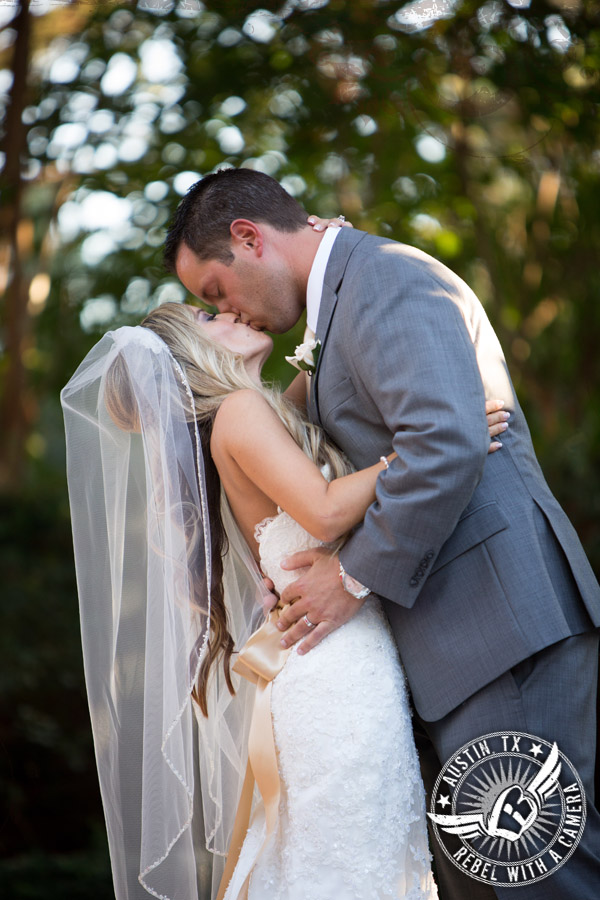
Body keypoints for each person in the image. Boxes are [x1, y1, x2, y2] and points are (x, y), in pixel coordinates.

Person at [163, 167, 600, 900]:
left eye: (216, 291)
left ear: (248, 239)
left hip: (499, 630)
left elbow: (446, 442)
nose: (229, 312)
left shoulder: (386, 279)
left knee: (541, 876)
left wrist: (352, 575)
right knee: (491, 883)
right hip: (447, 650)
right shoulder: (330, 316)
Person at [61, 291, 505, 900]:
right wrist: (438, 446)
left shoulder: (255, 410)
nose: (234, 313)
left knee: (350, 861)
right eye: (208, 317)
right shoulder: (241, 413)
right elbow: (323, 513)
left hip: (338, 657)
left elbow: (313, 373)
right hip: (336, 667)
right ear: (191, 354)